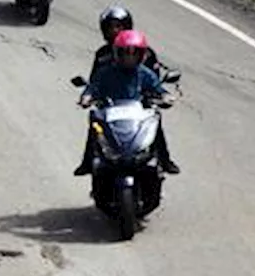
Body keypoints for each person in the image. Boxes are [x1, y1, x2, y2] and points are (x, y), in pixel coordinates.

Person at [73, 29, 181, 177]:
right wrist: (86, 97)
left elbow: (157, 88)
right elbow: (93, 87)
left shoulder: (145, 73)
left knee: (156, 123)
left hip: (136, 114)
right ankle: (87, 162)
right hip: (111, 113)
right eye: (125, 53)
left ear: (141, 55)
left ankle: (165, 159)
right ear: (117, 53)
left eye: (134, 53)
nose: (129, 57)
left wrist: (165, 96)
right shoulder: (106, 72)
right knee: (95, 125)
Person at [89, 4, 164, 82]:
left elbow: (155, 79)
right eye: (110, 27)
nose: (114, 31)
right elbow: (94, 80)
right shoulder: (102, 54)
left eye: (118, 26)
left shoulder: (145, 52)